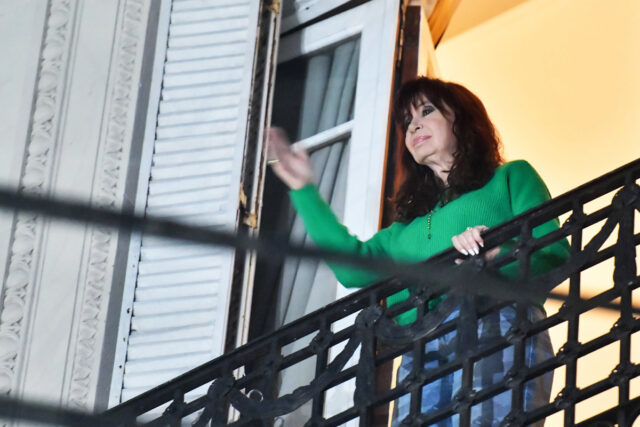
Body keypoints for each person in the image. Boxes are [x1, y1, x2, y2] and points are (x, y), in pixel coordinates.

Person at [267, 77, 569, 426]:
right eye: (407, 122)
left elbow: (554, 253)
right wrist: (303, 189)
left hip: (497, 323)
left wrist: (497, 252)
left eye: (427, 111)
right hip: (421, 348)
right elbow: (351, 269)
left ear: (462, 119)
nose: (413, 126)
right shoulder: (402, 232)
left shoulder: (509, 178)